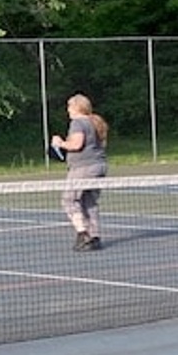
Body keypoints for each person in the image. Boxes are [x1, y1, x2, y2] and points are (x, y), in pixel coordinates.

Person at [50, 94, 108, 251]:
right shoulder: (94, 122)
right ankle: (94, 237)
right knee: (89, 201)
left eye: (69, 107)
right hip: (99, 166)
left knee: (69, 200)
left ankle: (83, 233)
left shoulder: (78, 123)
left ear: (77, 107)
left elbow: (76, 144)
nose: (67, 110)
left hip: (84, 168)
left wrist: (60, 143)